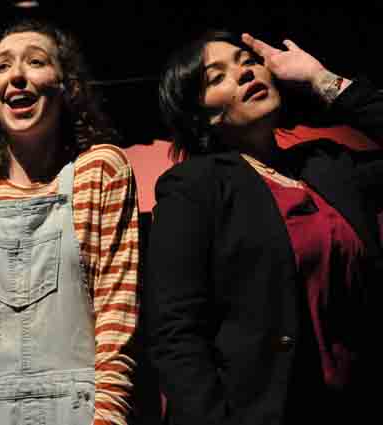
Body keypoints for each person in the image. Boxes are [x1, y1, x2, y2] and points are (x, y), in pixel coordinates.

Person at [145, 29, 383, 425]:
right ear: (202, 113)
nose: (245, 73)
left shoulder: (327, 165)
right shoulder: (194, 187)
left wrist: (322, 80)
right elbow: (175, 332)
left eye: (249, 62)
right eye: (217, 77)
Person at [0, 19, 140, 425]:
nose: (17, 76)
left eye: (35, 62)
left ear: (66, 87)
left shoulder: (101, 170)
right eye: (2, 66)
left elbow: (117, 316)